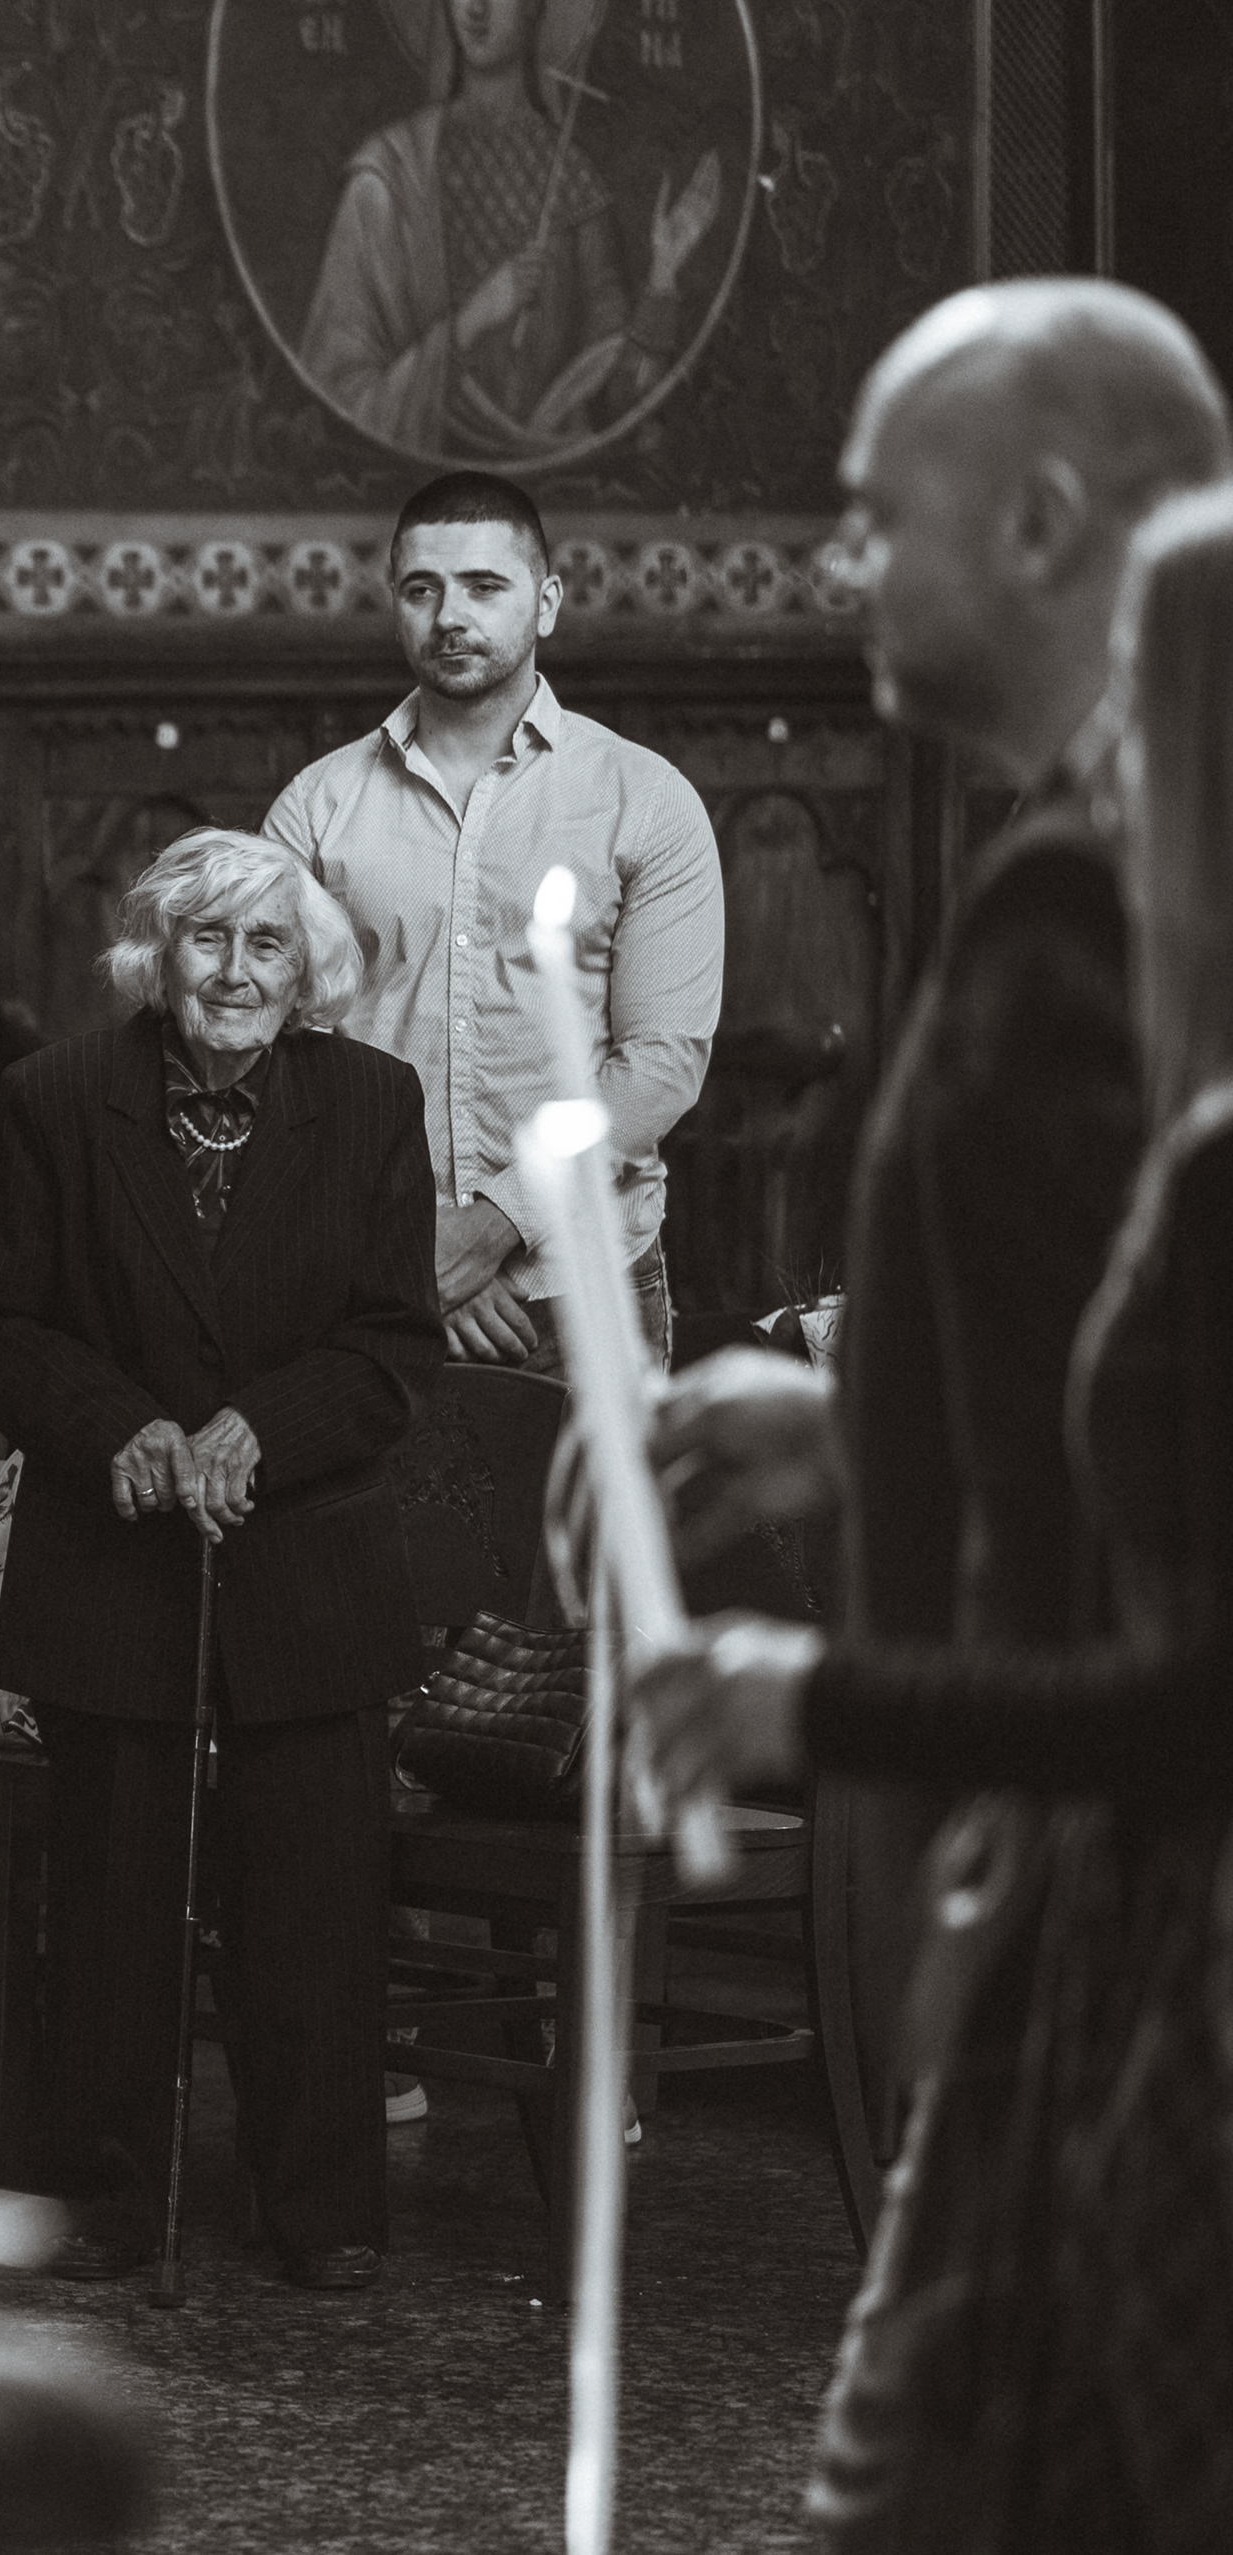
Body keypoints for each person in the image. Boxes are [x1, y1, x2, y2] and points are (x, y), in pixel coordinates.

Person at [636, 281, 1233, 2551]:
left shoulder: (1102, 904)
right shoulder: (1088, 866)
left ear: (1046, 519)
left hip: (1106, 1873)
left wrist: (825, 1700)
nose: (840, 562)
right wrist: (846, 1425)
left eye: (879, 516)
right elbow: (1108, 1390)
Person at [0, 827, 440, 2293]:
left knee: (316, 1900)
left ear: (308, 968)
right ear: (156, 957)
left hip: (312, 1564)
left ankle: (323, 2205)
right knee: (108, 1897)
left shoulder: (372, 1101)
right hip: (116, 1557)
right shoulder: (55, 1096)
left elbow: (392, 1344)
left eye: (265, 942)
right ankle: (104, 2194)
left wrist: (257, 1428)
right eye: (206, 939)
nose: (234, 970)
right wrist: (122, 1427)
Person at [264, 469, 721, 1371]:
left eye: (484, 586)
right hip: (365, 1281)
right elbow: (276, 1052)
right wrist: (411, 1249)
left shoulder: (646, 800)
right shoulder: (314, 808)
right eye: (421, 589)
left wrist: (488, 1230)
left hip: (587, 1287)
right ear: (394, 604)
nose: (449, 616)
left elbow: (660, 1065)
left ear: (545, 604)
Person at [297, 0, 725, 460]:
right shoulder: (391, 177)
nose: (476, 9)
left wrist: (663, 276)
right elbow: (339, 399)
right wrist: (474, 318)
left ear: (534, 9)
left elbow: (618, 404)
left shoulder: (573, 182)